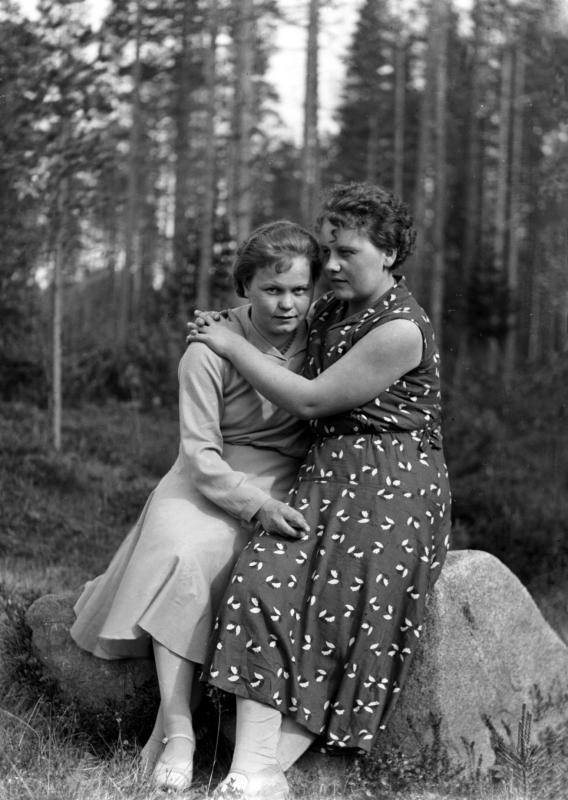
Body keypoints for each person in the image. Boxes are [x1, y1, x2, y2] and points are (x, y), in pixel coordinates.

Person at [187, 182, 452, 800]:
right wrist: (226, 324)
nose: (329, 265)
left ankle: (261, 769)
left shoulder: (400, 329)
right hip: (324, 473)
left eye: (347, 252)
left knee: (342, 602)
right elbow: (273, 310)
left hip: (393, 484)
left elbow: (308, 399)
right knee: (260, 582)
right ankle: (253, 768)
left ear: (389, 255)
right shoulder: (332, 307)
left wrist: (228, 344)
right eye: (327, 250)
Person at [70, 220, 322, 792]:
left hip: (284, 478)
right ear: (245, 287)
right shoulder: (209, 347)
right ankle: (179, 725)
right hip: (208, 476)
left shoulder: (324, 339)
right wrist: (253, 506)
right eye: (271, 289)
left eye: (299, 290)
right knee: (183, 553)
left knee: (247, 569)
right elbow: (199, 453)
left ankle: (179, 732)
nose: (287, 304)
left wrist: (275, 503)